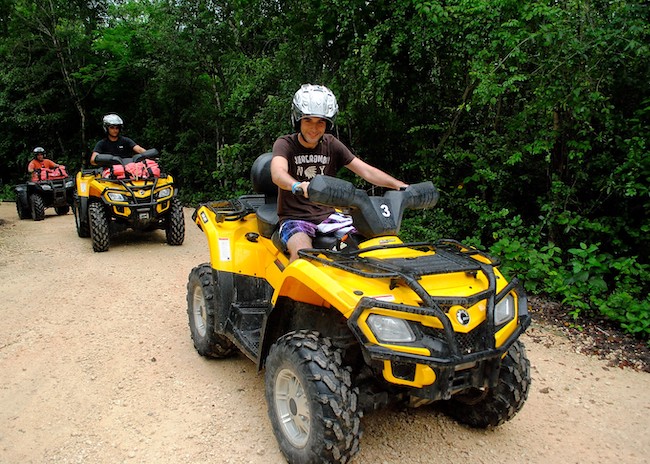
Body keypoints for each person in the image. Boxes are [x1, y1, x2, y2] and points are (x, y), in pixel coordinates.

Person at [271, 84, 408, 262]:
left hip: (329, 216)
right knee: (302, 256)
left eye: (320, 122)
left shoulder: (331, 143)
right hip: (295, 218)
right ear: (298, 120)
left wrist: (400, 186)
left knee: (378, 242)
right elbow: (278, 172)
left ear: (328, 123)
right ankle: (289, 290)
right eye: (308, 121)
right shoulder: (285, 144)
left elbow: (366, 171)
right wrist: (297, 185)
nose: (314, 128)